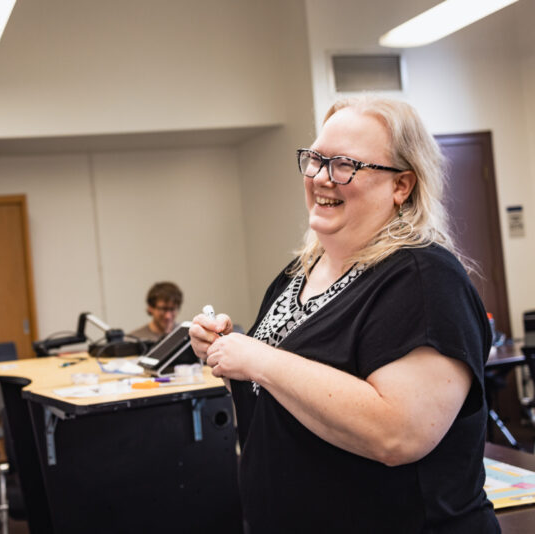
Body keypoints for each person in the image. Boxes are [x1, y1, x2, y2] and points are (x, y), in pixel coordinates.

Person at [190, 96, 500, 533]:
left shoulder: (423, 278)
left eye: (345, 165)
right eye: (315, 159)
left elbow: (400, 433)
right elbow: (289, 398)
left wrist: (260, 358)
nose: (320, 177)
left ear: (402, 185)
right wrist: (228, 354)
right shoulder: (298, 273)